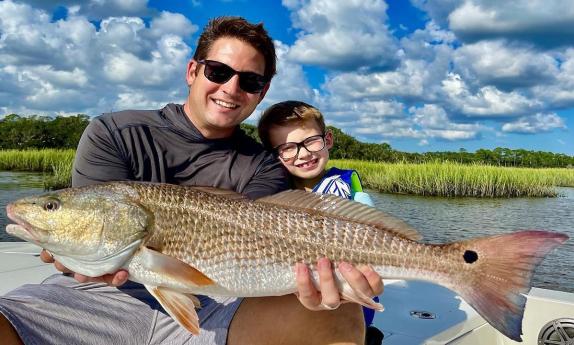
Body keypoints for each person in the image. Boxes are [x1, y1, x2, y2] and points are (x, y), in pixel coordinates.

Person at [0, 17, 383, 345]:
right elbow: (96, 251)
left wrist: (326, 283)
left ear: (261, 92)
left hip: (221, 301)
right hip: (93, 296)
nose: (231, 89)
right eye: (218, 72)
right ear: (192, 71)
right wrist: (71, 255)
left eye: (249, 81)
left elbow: (265, 240)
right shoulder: (114, 132)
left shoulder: (263, 164)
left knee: (339, 316)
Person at [258, 100, 385, 345]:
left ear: (327, 140)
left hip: (350, 301)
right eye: (287, 148)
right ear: (274, 156)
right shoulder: (271, 192)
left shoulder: (346, 187)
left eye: (311, 142)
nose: (303, 153)